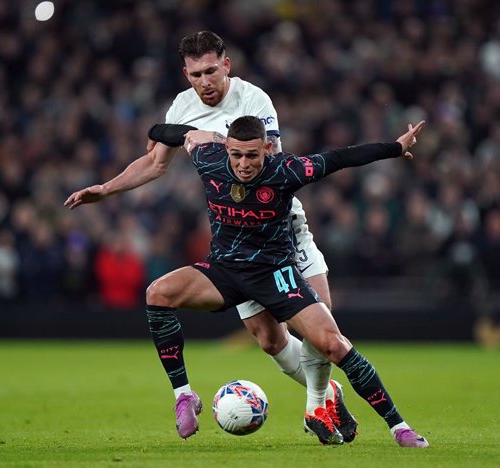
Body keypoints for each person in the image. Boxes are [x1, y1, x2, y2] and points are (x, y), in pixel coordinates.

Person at [63, 31, 356, 441]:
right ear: (186, 74)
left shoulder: (255, 100)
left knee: (321, 326)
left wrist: (211, 139)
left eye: (212, 71)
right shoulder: (182, 107)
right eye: (196, 74)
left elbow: (267, 158)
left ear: (227, 65)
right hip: (237, 241)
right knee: (270, 340)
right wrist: (106, 189)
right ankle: (329, 395)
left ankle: (317, 406)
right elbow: (154, 164)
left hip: (284, 229)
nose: (205, 81)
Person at [135, 115, 429, 447]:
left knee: (332, 343)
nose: (244, 164)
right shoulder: (208, 156)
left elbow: (339, 158)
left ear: (267, 149)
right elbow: (180, 134)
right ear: (226, 148)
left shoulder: (285, 170)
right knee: (158, 293)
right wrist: (154, 133)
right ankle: (184, 396)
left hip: (275, 274)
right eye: (237, 155)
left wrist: (393, 147)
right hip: (224, 271)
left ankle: (399, 428)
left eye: (252, 156)